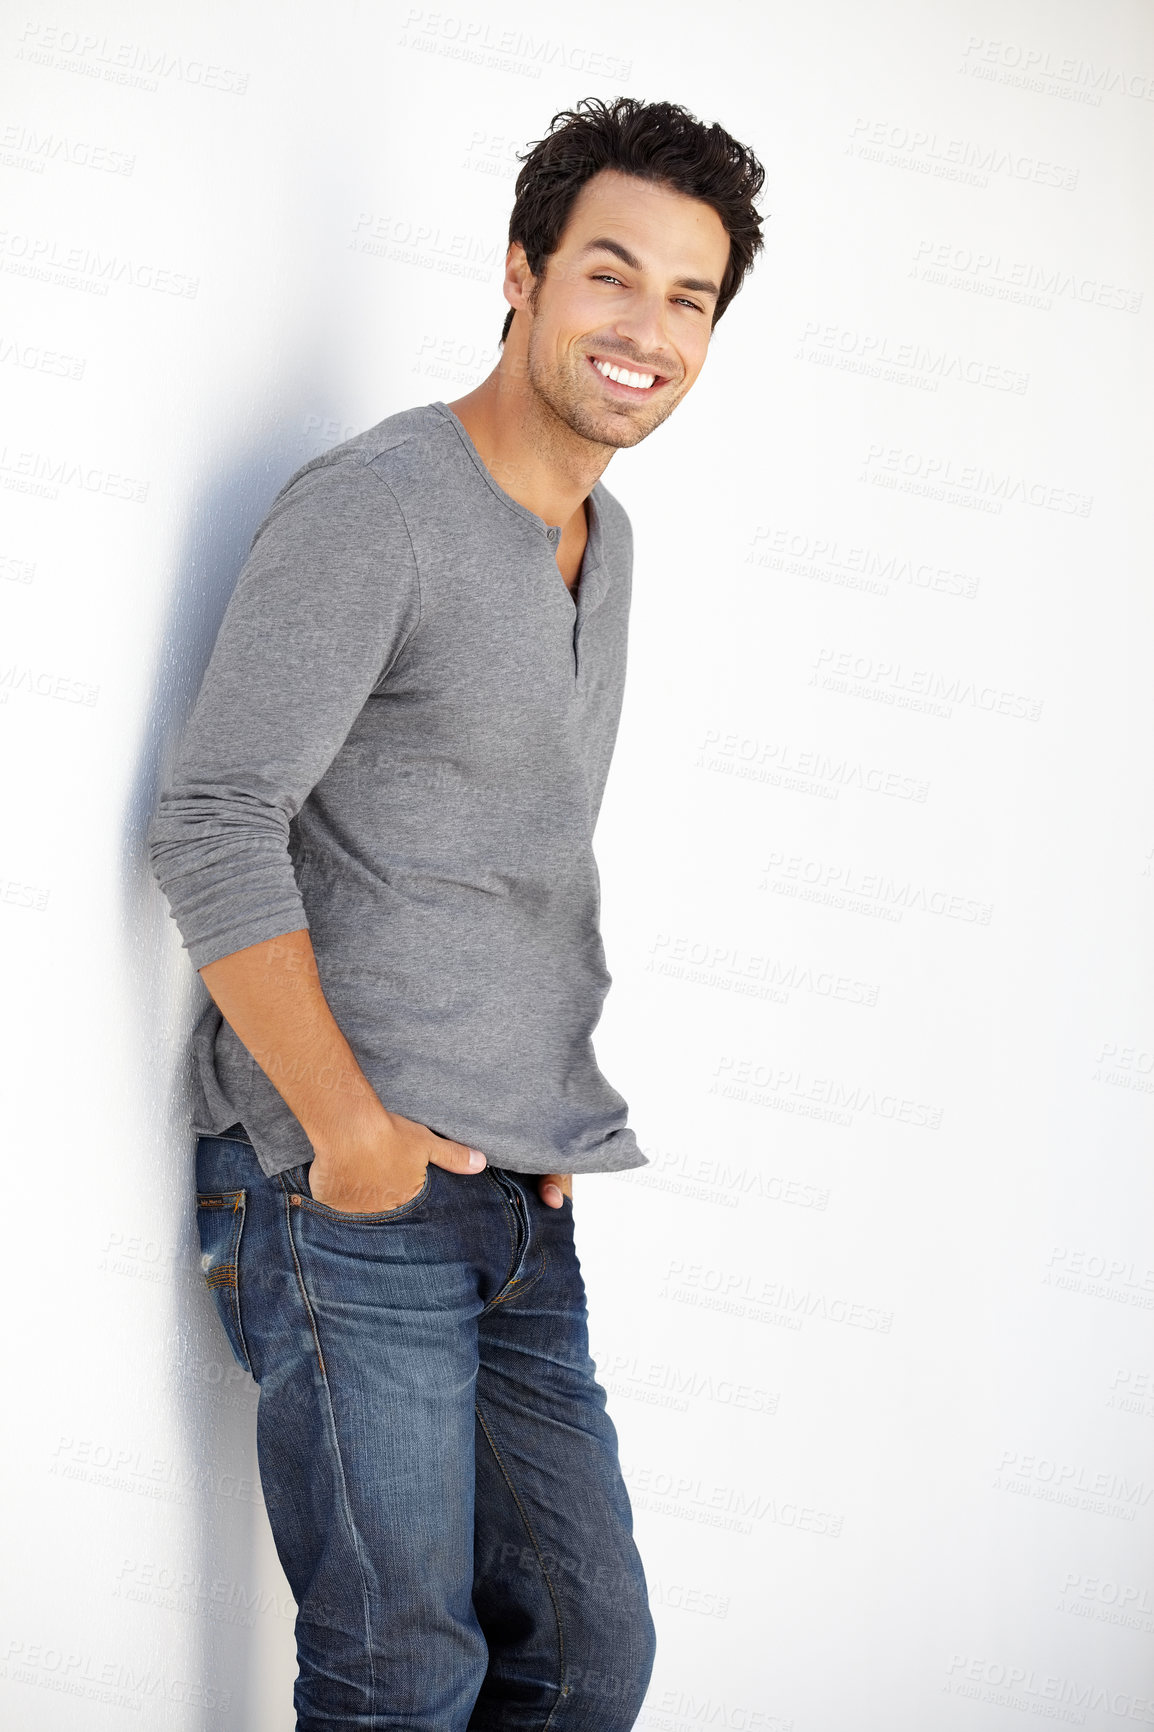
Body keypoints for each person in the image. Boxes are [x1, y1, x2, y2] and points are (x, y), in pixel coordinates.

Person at [148, 93, 765, 1731]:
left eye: (688, 300)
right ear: (521, 273)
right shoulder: (379, 507)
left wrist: (542, 1098)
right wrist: (345, 1129)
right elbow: (212, 816)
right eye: (610, 276)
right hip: (343, 1185)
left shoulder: (600, 540)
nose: (647, 331)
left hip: (519, 1195)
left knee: (583, 1654)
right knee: (398, 1672)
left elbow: (505, 853)